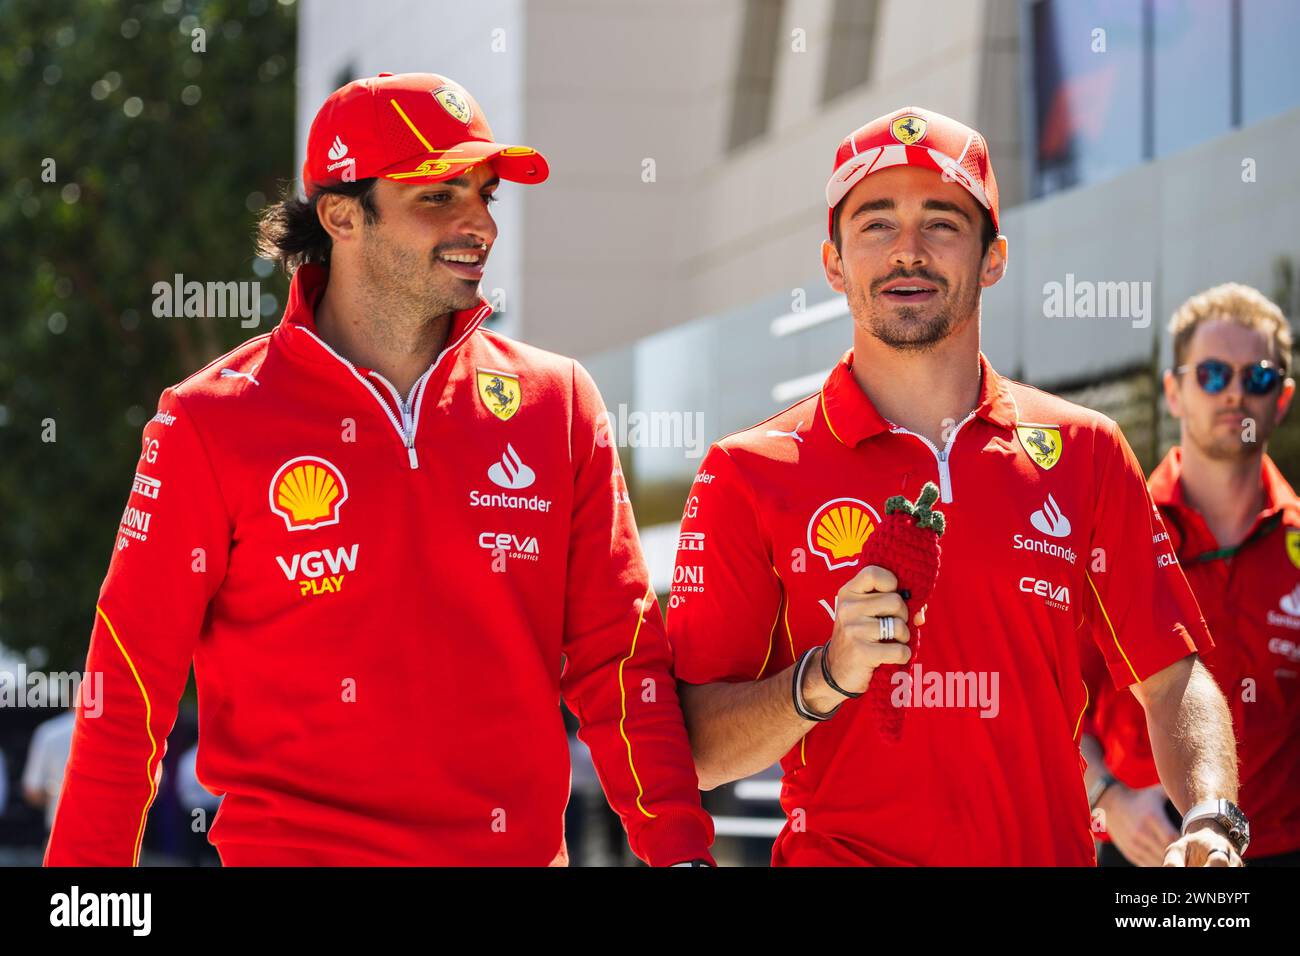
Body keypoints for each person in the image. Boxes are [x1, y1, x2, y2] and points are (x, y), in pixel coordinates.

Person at [45, 72, 713, 866]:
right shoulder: (207, 419)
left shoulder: (556, 402)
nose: (480, 226)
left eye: (486, 195)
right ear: (340, 215)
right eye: (439, 196)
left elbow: (620, 661)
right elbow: (127, 686)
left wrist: (680, 850)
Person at [668, 106, 1244, 866]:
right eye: (876, 224)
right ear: (834, 264)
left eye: (941, 222)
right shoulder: (748, 470)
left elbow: (1172, 680)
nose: (908, 252)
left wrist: (1209, 816)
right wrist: (828, 677)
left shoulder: (1085, 451)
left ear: (993, 257)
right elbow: (699, 748)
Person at [1081, 283, 1300, 866]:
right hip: (1141, 854)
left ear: (1280, 398)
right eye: (1210, 375)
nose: (1233, 393)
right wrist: (1107, 800)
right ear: (1174, 391)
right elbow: (1050, 699)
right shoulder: (1108, 531)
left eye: (1255, 378)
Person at [23, 704, 76, 832]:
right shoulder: (112, 734)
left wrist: (56, 795)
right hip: (104, 834)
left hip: (59, 830)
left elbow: (32, 791)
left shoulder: (49, 732)